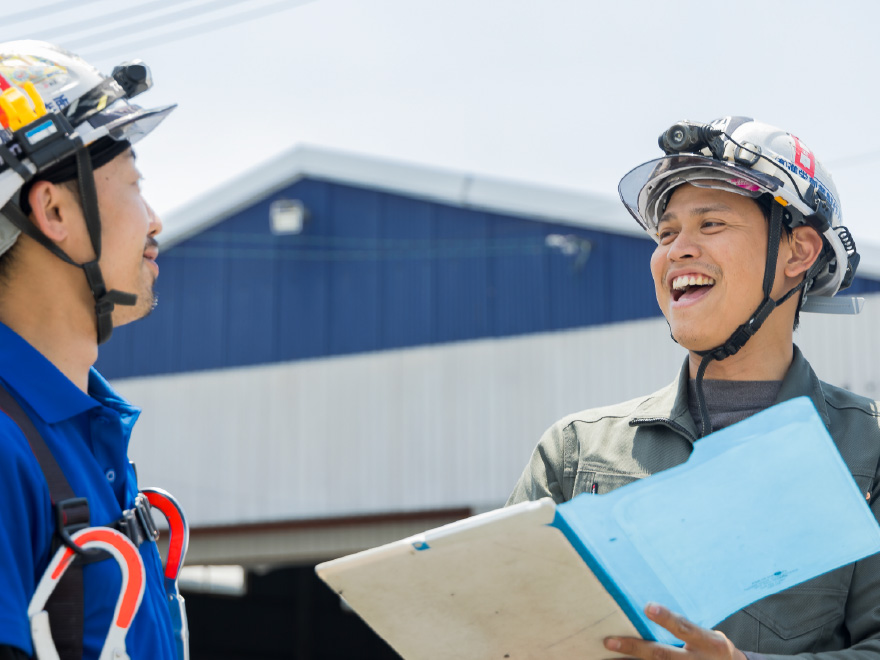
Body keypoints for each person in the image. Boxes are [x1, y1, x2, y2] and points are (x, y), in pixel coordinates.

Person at [507, 116, 880, 660]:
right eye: (666, 233)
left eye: (710, 224)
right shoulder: (575, 453)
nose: (677, 250)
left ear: (798, 253)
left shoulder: (867, 447)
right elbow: (498, 630)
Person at [0, 41, 179, 659]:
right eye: (133, 184)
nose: (154, 220)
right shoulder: (4, 449)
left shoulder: (80, 431)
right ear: (52, 209)